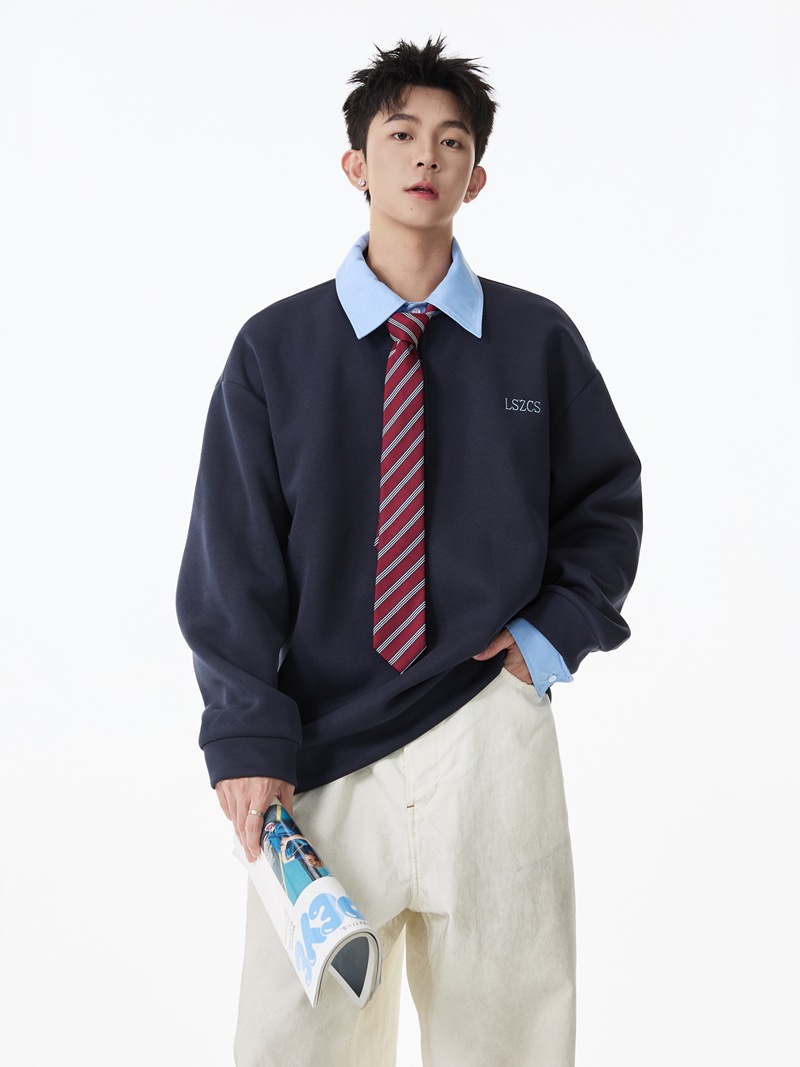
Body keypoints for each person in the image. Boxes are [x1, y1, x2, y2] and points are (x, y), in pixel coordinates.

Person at [176, 36, 642, 1066]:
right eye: (400, 136)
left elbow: (606, 503)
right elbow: (231, 558)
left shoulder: (536, 339)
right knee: (297, 1041)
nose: (426, 156)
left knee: (509, 1031)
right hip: (318, 751)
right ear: (356, 163)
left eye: (451, 141)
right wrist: (246, 735)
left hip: (489, 729)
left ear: (478, 175)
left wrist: (546, 639)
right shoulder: (273, 350)